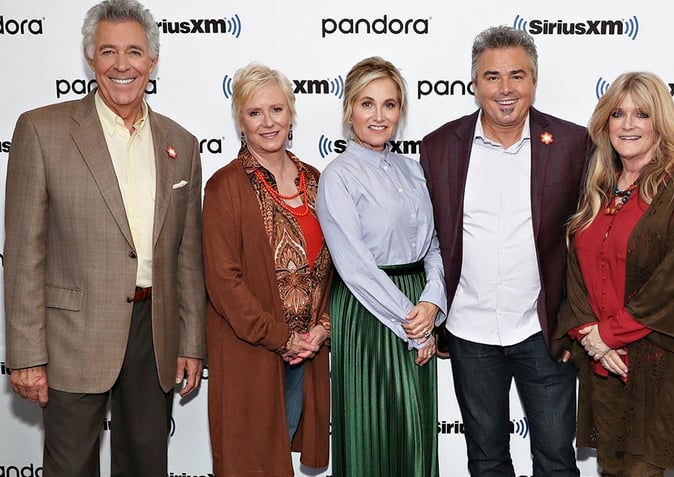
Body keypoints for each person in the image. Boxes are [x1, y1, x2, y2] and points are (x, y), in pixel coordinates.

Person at [3, 1, 206, 475]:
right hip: (72, 337)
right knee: (70, 467)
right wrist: (26, 355)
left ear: (152, 61)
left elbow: (188, 256)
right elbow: (23, 253)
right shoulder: (41, 130)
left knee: (145, 465)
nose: (122, 64)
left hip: (154, 334)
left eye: (134, 52)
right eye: (108, 51)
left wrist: (191, 340)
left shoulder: (182, 143)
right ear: (89, 58)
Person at [419, 25, 590, 477]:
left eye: (518, 75)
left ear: (534, 80)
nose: (506, 89)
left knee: (556, 458)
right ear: (474, 83)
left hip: (543, 331)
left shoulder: (573, 144)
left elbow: (586, 244)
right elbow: (431, 241)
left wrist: (575, 322)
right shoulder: (439, 147)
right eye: (492, 77)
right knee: (487, 459)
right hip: (469, 330)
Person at [557, 72, 674, 476]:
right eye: (618, 113)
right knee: (611, 471)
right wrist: (591, 337)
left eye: (641, 114)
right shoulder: (599, 184)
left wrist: (608, 335)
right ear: (605, 123)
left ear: (658, 122)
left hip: (657, 365)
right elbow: (576, 270)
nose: (628, 124)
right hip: (603, 364)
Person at [315, 56, 446, 477]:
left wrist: (432, 303)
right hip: (370, 314)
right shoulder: (338, 176)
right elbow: (354, 267)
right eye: (367, 103)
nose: (378, 115)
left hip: (419, 306)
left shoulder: (414, 171)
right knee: (376, 432)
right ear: (349, 109)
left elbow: (435, 246)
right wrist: (412, 324)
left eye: (389, 105)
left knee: (415, 435)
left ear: (400, 112)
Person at [203, 62, 332, 476]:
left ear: (291, 114)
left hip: (305, 354)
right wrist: (282, 338)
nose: (268, 122)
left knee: (280, 460)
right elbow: (224, 282)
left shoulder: (317, 181)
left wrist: (321, 329)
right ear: (240, 121)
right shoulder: (225, 186)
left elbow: (335, 269)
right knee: (252, 464)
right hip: (252, 351)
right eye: (254, 113)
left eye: (276, 109)